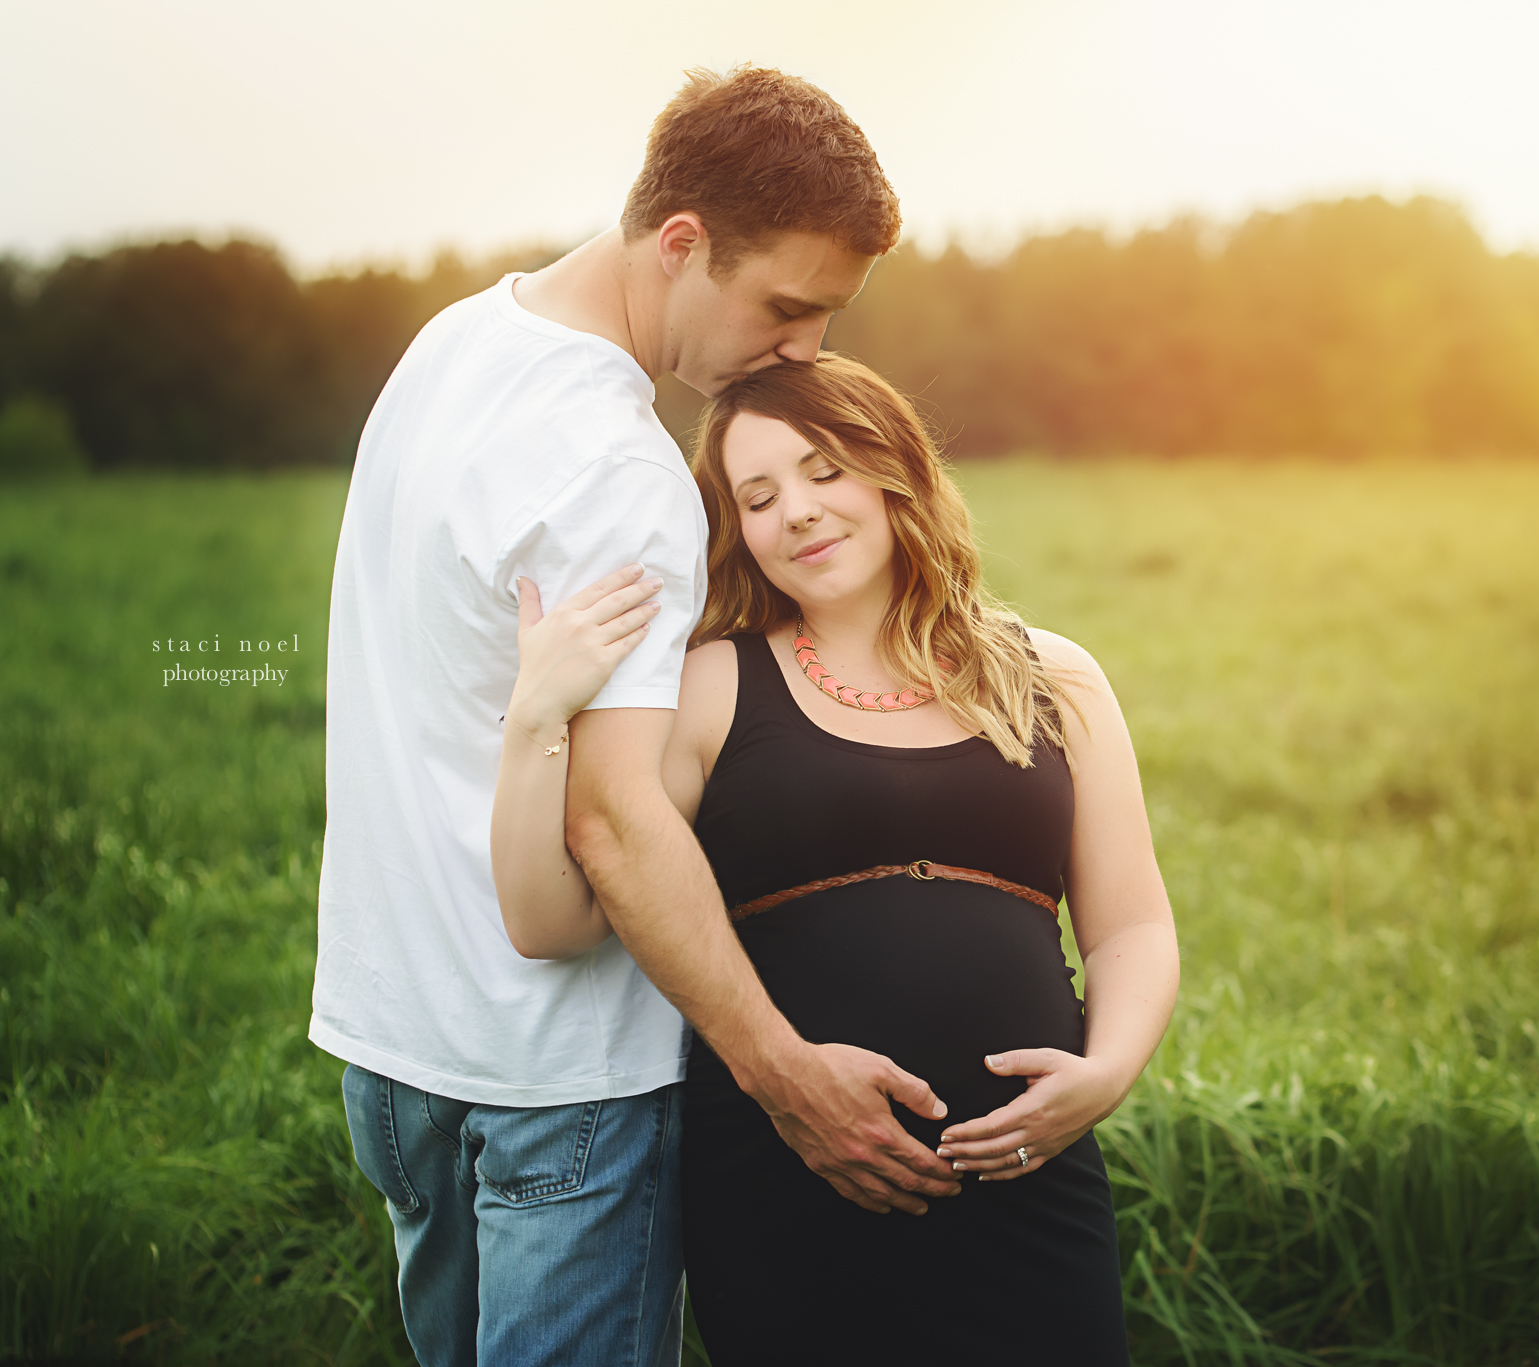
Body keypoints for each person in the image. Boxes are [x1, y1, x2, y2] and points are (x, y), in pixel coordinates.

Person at [312, 68, 962, 1367]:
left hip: (393, 1050)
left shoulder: (451, 344)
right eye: (785, 306)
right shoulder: (622, 472)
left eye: (826, 318)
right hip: (562, 1087)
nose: (802, 355)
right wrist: (789, 1076)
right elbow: (613, 822)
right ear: (681, 244)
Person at [495, 353, 1180, 1364]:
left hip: (1030, 1185)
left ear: (892, 466)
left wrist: (1107, 1071)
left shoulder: (1055, 675)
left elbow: (1131, 924)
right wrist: (535, 716)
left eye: (823, 471)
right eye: (758, 497)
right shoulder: (712, 685)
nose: (797, 513)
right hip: (785, 1180)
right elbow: (548, 919)